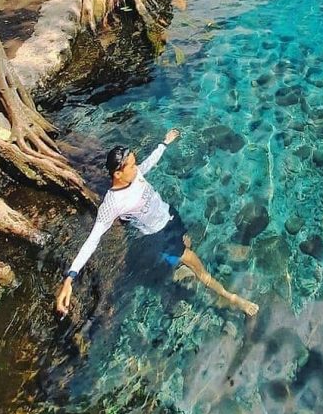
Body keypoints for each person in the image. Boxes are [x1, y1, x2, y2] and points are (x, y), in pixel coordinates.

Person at [55, 131, 259, 318]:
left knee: (185, 243)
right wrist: (70, 278)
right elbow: (93, 239)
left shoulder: (133, 175)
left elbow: (148, 164)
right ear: (117, 174)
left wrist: (164, 143)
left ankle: (177, 259)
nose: (137, 168)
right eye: (132, 166)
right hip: (162, 235)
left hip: (171, 216)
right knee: (198, 268)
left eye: (135, 163)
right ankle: (231, 298)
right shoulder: (112, 204)